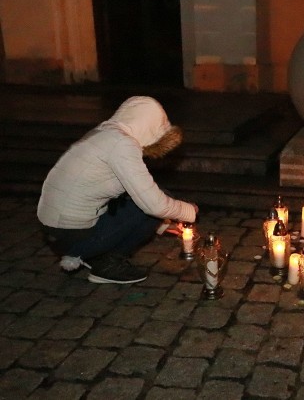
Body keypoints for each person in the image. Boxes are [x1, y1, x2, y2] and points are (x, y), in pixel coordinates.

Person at [37, 96, 198, 284]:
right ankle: (106, 262)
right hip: (72, 237)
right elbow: (154, 205)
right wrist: (189, 212)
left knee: (138, 199)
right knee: (158, 199)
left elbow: (126, 193)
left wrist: (163, 225)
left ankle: (93, 255)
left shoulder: (105, 134)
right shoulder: (122, 145)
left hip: (55, 232)